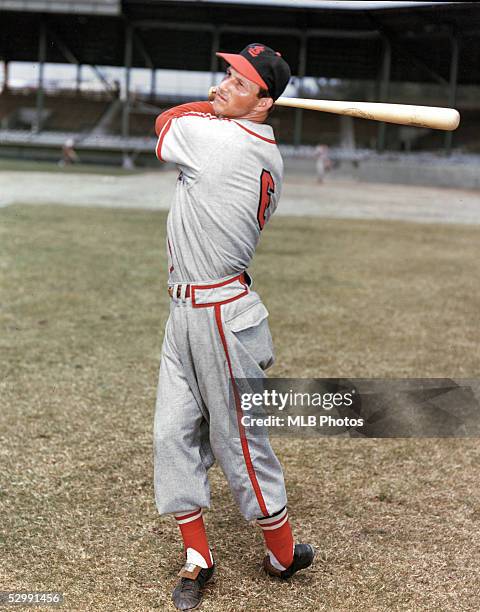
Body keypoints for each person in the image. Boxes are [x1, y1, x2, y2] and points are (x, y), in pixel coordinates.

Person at [153, 43, 315, 611]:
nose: (222, 85)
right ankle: (198, 557)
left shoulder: (218, 139)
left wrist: (214, 107)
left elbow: (166, 123)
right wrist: (234, 104)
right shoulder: (262, 146)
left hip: (218, 313)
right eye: (224, 74)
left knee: (239, 443)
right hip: (190, 311)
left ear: (264, 102)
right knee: (172, 433)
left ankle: (284, 553)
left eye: (238, 82)